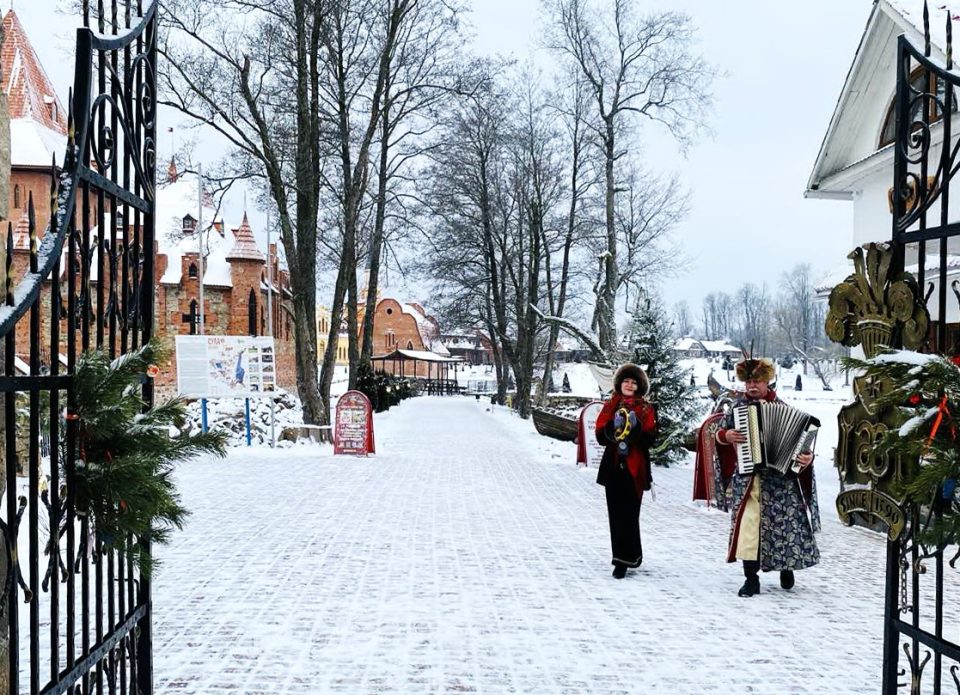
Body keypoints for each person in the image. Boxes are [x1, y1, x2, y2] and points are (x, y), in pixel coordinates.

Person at [714, 356, 820, 596]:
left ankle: (786, 566)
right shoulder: (737, 409)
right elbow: (718, 433)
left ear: (767, 382)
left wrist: (807, 458)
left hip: (780, 482)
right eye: (748, 381)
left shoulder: (784, 408)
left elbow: (803, 446)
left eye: (758, 381)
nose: (752, 386)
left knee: (783, 528)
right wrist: (726, 435)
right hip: (749, 481)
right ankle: (751, 578)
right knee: (748, 529)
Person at [595, 363, 658, 579]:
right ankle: (621, 559)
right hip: (614, 465)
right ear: (619, 384)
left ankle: (630, 556)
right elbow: (600, 436)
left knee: (630, 513)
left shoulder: (647, 408)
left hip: (635, 467)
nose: (629, 385)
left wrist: (636, 429)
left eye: (633, 382)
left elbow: (651, 439)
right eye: (626, 381)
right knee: (616, 512)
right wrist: (614, 428)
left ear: (639, 385)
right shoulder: (610, 404)